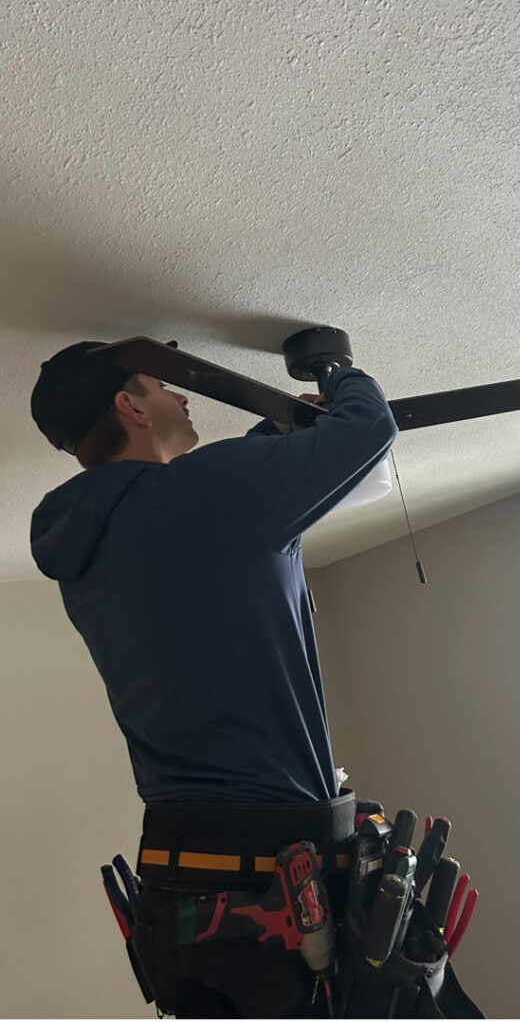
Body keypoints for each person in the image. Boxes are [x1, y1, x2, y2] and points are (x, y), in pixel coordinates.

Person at [29, 338, 399, 1018]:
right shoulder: (206, 494)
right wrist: (336, 370)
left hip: (204, 888)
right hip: (257, 872)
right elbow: (368, 431)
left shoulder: (88, 539)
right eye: (162, 383)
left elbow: (220, 502)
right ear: (129, 406)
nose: (181, 393)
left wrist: (283, 432)